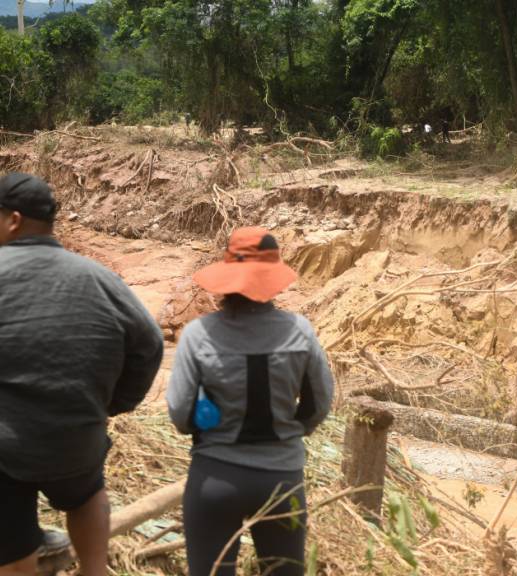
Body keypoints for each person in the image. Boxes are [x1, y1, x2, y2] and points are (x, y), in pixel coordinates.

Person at [0, 173, 164, 576]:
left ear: (13, 220)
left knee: (9, 519)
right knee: (87, 492)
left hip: (7, 448)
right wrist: (112, 403)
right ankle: (94, 569)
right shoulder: (100, 277)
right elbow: (150, 343)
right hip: (78, 437)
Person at [166, 227, 334, 576]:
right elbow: (319, 404)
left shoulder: (199, 335)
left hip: (215, 478)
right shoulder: (299, 331)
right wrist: (294, 430)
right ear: (273, 279)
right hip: (282, 481)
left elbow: (180, 413)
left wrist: (208, 425)